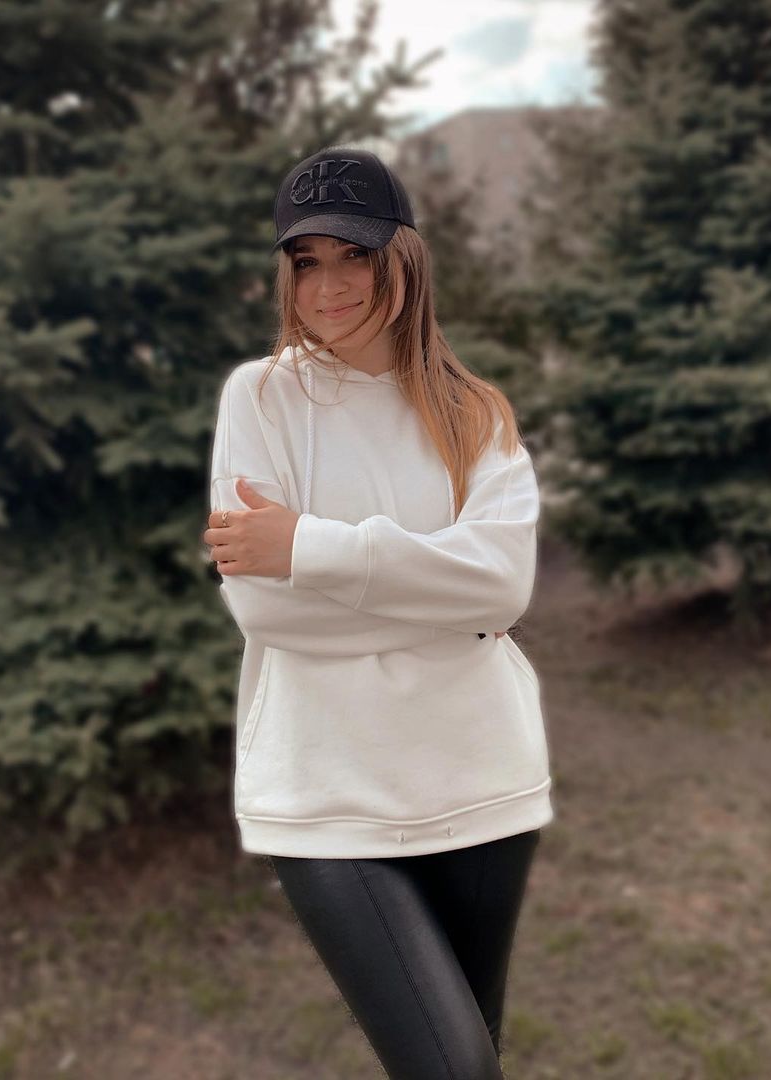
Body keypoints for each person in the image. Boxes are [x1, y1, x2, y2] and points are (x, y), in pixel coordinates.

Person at [202, 145, 554, 1079]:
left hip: (482, 779)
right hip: (328, 795)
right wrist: (448, 606)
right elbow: (266, 611)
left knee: (477, 1051)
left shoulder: (476, 413)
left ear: (403, 258)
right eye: (305, 261)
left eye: (353, 255)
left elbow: (504, 586)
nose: (329, 286)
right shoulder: (261, 397)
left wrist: (308, 547)